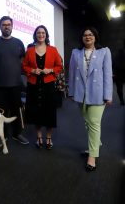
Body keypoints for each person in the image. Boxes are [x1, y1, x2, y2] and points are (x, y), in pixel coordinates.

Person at [68, 27, 113, 171]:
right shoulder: (76, 52)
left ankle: (92, 156)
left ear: (95, 37)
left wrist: (108, 95)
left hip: (98, 94)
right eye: (85, 35)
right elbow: (71, 73)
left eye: (91, 34)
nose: (88, 37)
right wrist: (71, 92)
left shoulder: (104, 51)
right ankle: (95, 143)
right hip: (81, 94)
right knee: (88, 123)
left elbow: (108, 75)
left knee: (93, 123)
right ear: (82, 38)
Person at [0, 16, 29, 145]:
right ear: (0, 26)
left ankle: (17, 134)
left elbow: (23, 60)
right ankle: (2, 136)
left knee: (17, 110)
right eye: (4, 24)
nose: (6, 26)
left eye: (8, 24)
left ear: (12, 26)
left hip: (16, 84)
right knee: (0, 112)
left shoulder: (19, 43)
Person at [22, 25, 62, 149]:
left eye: (43, 32)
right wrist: (32, 70)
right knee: (36, 112)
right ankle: (39, 137)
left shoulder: (53, 50)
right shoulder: (29, 50)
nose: (41, 35)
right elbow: (24, 66)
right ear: (35, 35)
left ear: (46, 34)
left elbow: (59, 66)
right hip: (33, 85)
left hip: (48, 85)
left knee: (49, 112)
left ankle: (49, 137)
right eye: (38, 33)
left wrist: (50, 70)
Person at [112, 39, 125, 105]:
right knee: (119, 88)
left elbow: (113, 63)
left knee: (119, 88)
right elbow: (114, 63)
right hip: (119, 72)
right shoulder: (119, 53)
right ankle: (122, 101)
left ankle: (122, 101)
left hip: (118, 72)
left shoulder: (118, 53)